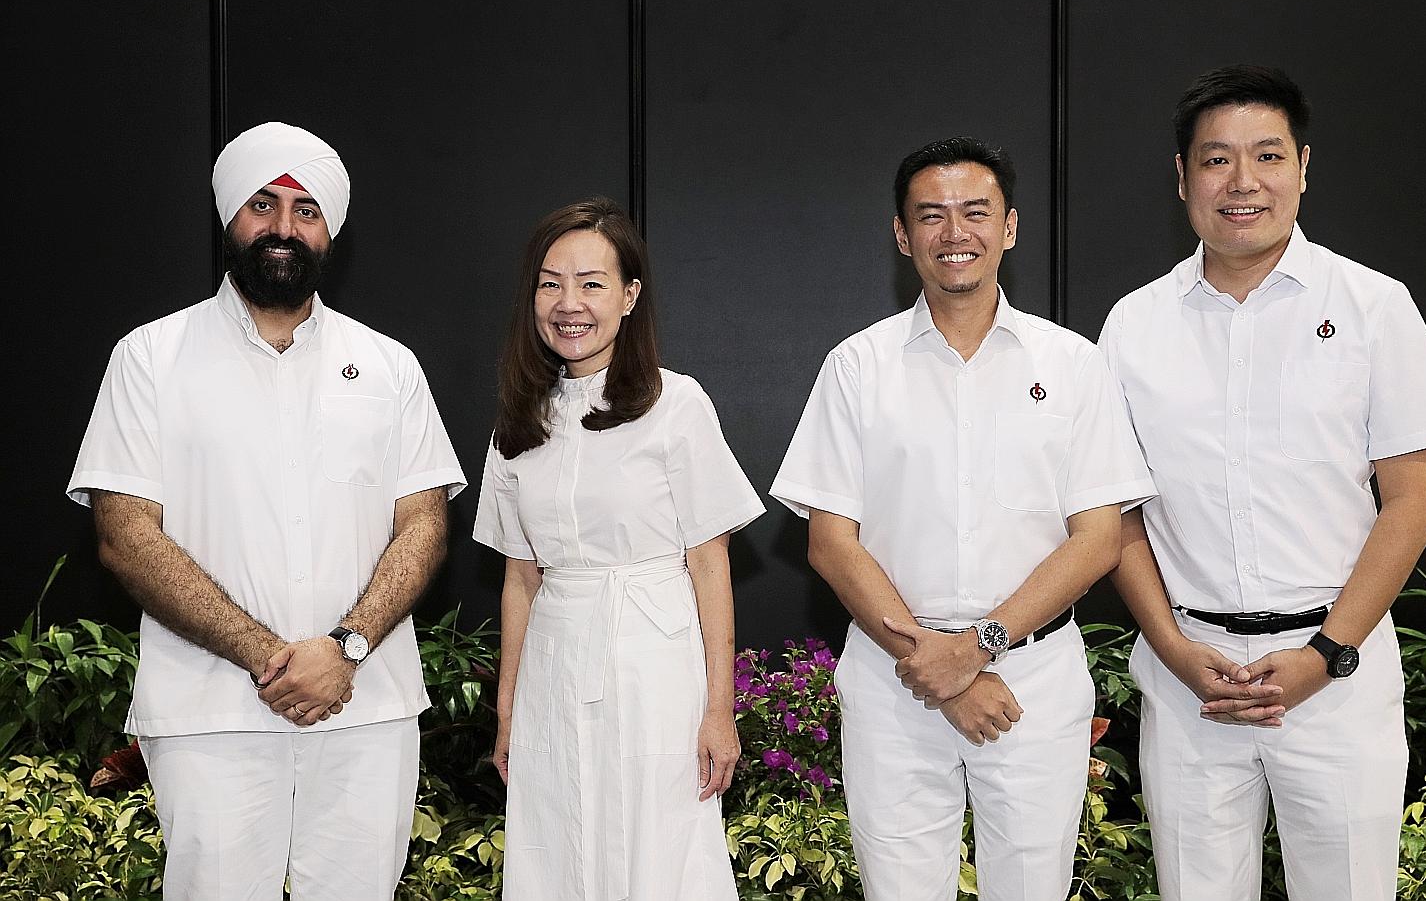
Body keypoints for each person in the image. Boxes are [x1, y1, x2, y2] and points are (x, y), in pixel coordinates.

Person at [66, 121, 466, 900]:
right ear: (229, 217)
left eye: (306, 209)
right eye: (263, 203)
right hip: (208, 715)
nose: (283, 227)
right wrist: (267, 655)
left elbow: (423, 524)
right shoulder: (149, 358)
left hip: (367, 709)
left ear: (330, 231)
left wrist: (343, 649)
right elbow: (123, 534)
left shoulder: (390, 366)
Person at [1098, 65, 1426, 901]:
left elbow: (1414, 499)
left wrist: (1326, 654)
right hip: (1193, 680)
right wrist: (1174, 649)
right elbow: (1115, 512)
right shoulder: (1133, 324)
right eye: (1216, 159)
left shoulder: (1375, 306)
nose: (1242, 182)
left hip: (1337, 676)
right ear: (1183, 177)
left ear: (1303, 165)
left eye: (1266, 156)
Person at [770, 137, 1156, 901]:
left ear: (1009, 226)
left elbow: (1099, 538)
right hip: (892, 678)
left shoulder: (1073, 363)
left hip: (1033, 678)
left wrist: (978, 647)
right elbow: (829, 541)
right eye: (932, 216)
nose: (956, 233)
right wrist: (940, 672)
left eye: (975, 212)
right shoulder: (857, 366)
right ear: (901, 234)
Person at [473, 196, 763, 901]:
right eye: (551, 283)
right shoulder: (520, 416)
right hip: (553, 661)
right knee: (557, 841)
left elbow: (709, 561)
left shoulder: (677, 403)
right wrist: (509, 709)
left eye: (592, 283)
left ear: (630, 296)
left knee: (659, 847)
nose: (569, 303)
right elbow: (520, 577)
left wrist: (718, 707)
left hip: (655, 661)